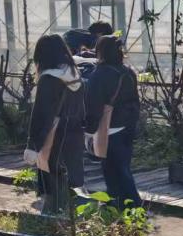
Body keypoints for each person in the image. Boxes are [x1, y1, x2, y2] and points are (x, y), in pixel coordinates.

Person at [23, 34, 86, 215]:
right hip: (74, 131)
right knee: (69, 174)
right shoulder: (74, 74)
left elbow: (42, 114)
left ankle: (54, 219)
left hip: (55, 132)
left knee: (52, 174)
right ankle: (70, 218)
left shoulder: (49, 78)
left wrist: (32, 145)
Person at [86, 35, 143, 208]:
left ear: (101, 51)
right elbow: (135, 100)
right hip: (128, 125)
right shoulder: (128, 71)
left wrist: (89, 129)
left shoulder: (100, 74)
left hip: (109, 127)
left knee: (113, 169)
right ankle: (119, 203)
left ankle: (132, 204)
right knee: (121, 165)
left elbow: (93, 105)